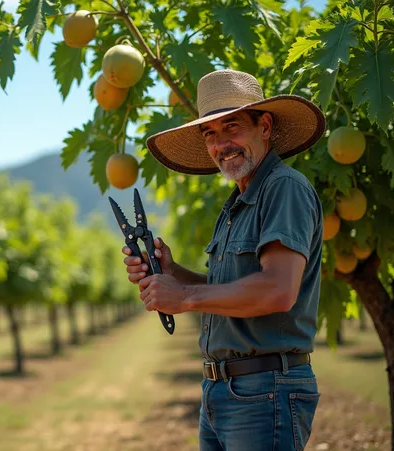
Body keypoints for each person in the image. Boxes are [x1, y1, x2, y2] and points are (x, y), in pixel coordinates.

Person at [123, 69, 326, 450]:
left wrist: (182, 298)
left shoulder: (283, 188)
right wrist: (172, 273)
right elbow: (227, 289)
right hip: (224, 391)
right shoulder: (237, 203)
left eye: (231, 127)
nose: (220, 144)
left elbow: (278, 291)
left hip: (264, 390)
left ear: (264, 126)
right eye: (210, 134)